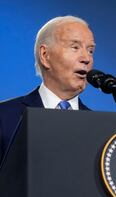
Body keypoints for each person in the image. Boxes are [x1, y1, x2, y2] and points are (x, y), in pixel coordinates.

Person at [0, 15, 95, 162]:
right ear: (45, 55)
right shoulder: (4, 117)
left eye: (90, 51)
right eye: (75, 47)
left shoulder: (97, 125)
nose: (86, 58)